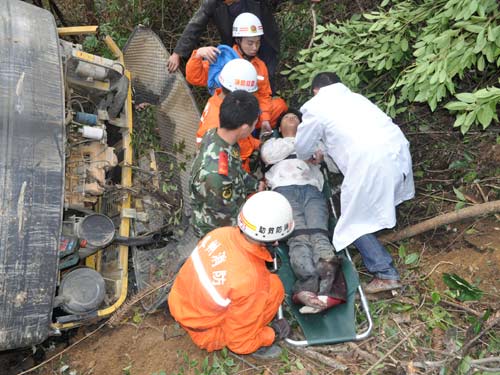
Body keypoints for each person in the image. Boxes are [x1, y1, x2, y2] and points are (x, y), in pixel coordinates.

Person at [294, 72, 415, 294]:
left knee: (352, 222)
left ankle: (385, 273)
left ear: (315, 91)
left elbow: (302, 147)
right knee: (373, 204)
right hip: (397, 153)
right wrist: (323, 152)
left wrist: (309, 155)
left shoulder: (316, 106)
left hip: (370, 163)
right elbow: (344, 137)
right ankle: (379, 233)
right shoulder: (357, 99)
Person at [168, 190, 294, 358]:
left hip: (181, 304)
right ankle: (256, 341)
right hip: (206, 332)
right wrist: (273, 333)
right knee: (275, 287)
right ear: (276, 239)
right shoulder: (251, 280)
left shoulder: (220, 233)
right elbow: (239, 343)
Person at [261, 109, 345, 313]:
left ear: (303, 124)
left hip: (312, 190)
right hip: (283, 191)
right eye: (286, 118)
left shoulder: (316, 144)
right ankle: (307, 287)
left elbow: (335, 167)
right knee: (298, 238)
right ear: (279, 128)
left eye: (296, 118)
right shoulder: (272, 144)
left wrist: (321, 157)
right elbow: (268, 156)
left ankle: (328, 291)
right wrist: (300, 144)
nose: (291, 119)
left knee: (319, 236)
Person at [167, 0, 320, 81]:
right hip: (237, 47)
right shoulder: (212, 3)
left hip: (264, 41)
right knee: (239, 79)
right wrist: (178, 53)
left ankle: (265, 120)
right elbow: (195, 25)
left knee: (266, 77)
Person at [185, 12, 287, 134]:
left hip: (252, 112)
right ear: (238, 40)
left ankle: (255, 131)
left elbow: (264, 95)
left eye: (258, 42)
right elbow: (193, 78)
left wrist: (265, 119)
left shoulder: (260, 66)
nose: (255, 47)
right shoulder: (223, 60)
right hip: (229, 115)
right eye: (250, 43)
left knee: (279, 105)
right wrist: (198, 55)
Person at [190, 90, 265, 238]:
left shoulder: (217, 135)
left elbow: (237, 171)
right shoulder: (217, 175)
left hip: (228, 204)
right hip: (216, 230)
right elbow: (228, 219)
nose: (255, 127)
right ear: (244, 128)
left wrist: (256, 186)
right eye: (254, 124)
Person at [189, 58, 261, 173]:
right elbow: (242, 149)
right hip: (228, 167)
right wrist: (260, 146)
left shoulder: (218, 100)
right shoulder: (220, 122)